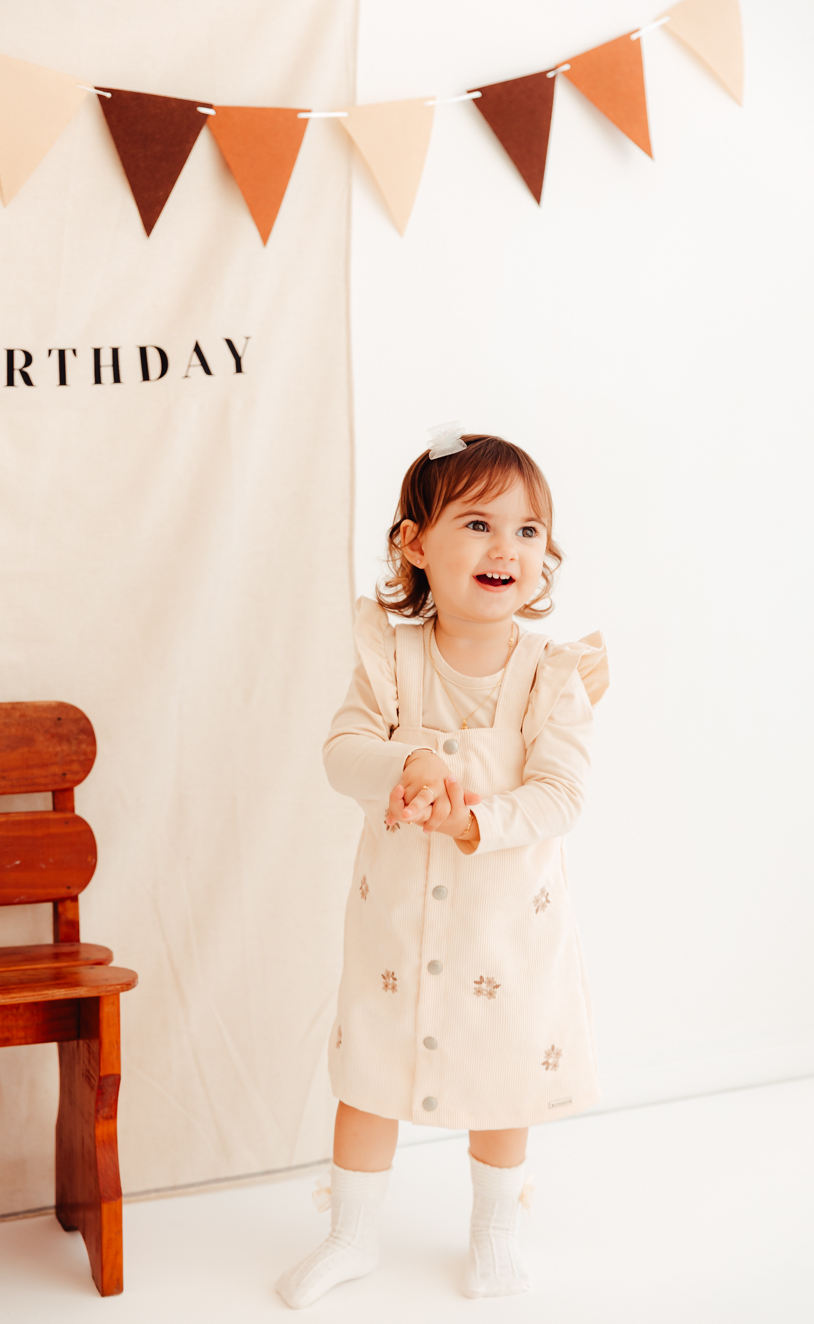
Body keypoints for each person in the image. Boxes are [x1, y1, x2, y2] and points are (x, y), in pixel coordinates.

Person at [277, 429, 608, 1308]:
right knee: (370, 1070)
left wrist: (472, 819)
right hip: (395, 925)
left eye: (528, 530)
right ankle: (350, 1236)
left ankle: (496, 1232)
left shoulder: (551, 676)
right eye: (478, 524)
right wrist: (406, 762)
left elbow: (561, 795)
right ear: (415, 544)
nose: (507, 548)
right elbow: (342, 752)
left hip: (506, 928)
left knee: (501, 1077)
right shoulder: (391, 658)